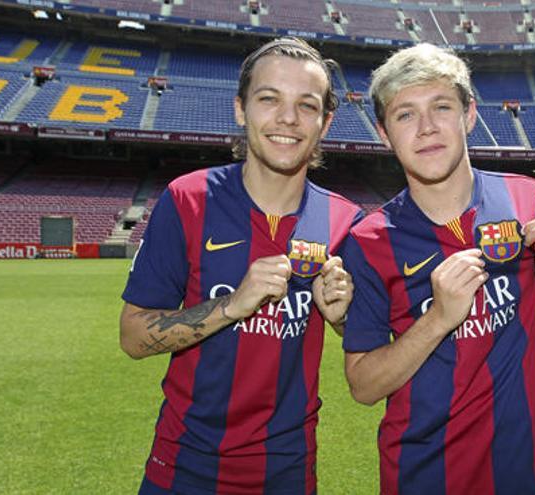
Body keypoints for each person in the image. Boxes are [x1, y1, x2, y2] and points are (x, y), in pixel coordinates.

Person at [341, 43, 535, 494]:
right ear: (384, 134)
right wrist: (438, 319)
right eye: (405, 115)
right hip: (423, 478)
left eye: (441, 107)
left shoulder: (532, 202)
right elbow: (364, 386)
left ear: (469, 115)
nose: (426, 128)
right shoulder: (368, 242)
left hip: (528, 472)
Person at [119, 37, 362, 494]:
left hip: (286, 473)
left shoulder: (347, 222)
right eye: (269, 99)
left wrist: (344, 317)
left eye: (306, 106)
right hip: (183, 469)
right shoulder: (188, 199)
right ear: (240, 108)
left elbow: (369, 351)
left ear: (325, 122)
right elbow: (133, 337)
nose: (287, 119)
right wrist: (235, 304)